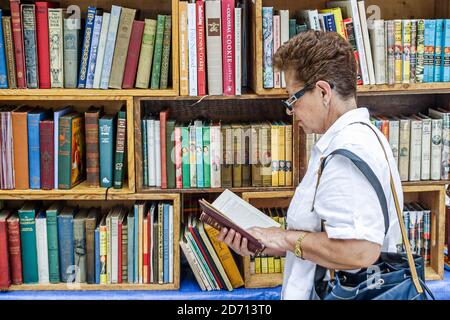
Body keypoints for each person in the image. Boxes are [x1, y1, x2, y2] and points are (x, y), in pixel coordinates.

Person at [217, 30, 402, 300]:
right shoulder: (361, 136)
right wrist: (266, 241)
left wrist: (282, 238)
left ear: (324, 92)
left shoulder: (346, 152)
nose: (290, 111)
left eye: (293, 99)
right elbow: (324, 239)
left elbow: (360, 251)